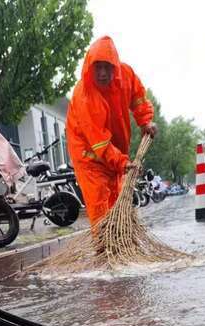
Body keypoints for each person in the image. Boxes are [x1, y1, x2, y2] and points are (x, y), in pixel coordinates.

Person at [66, 36, 157, 229]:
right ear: (90, 67)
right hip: (88, 154)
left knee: (117, 199)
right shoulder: (85, 96)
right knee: (99, 204)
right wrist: (123, 162)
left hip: (114, 150)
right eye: (97, 67)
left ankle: (118, 244)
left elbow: (138, 99)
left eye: (107, 67)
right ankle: (103, 249)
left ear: (115, 66)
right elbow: (98, 142)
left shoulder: (126, 75)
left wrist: (145, 121)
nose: (102, 73)